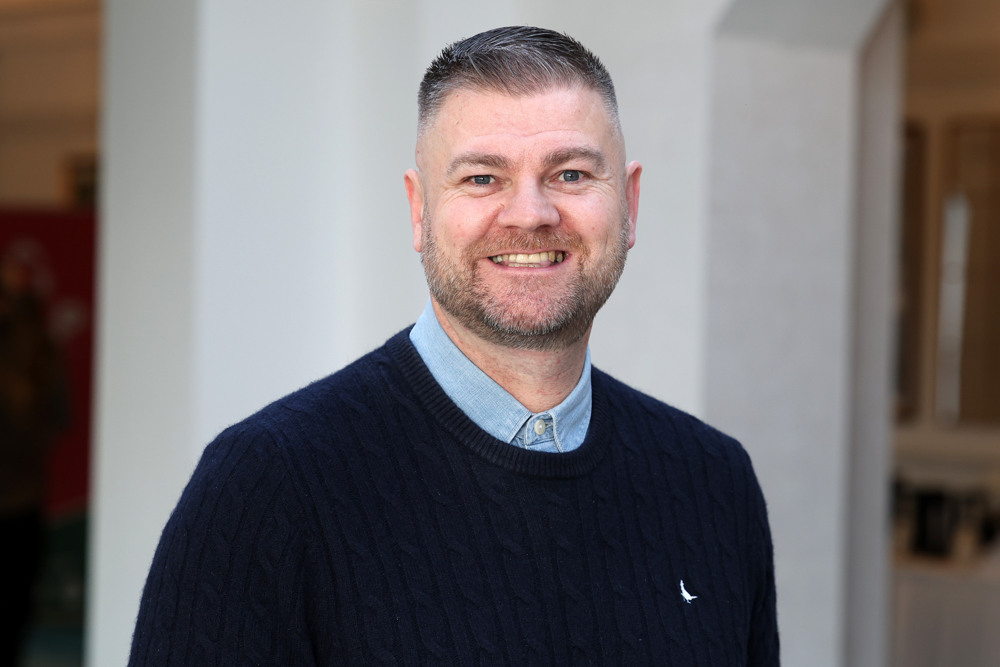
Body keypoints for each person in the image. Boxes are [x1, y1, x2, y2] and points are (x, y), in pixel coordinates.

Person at [129, 26, 778, 665]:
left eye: (571, 173)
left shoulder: (714, 485)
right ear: (419, 210)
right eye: (482, 178)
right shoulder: (266, 488)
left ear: (629, 203)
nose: (531, 214)